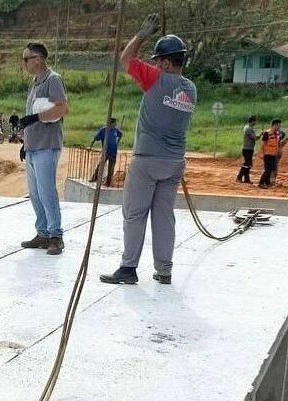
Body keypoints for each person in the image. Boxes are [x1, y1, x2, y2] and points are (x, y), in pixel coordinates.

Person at [99, 14, 196, 286]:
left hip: (147, 161)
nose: (155, 64)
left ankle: (128, 268)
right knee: (164, 218)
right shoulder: (191, 89)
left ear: (165, 62)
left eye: (158, 60)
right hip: (174, 161)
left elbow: (125, 60)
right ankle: (164, 271)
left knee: (135, 214)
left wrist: (141, 35)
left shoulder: (156, 79)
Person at [17, 42, 69, 256]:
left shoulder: (52, 80)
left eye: (26, 59)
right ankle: (43, 233)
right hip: (33, 145)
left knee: (47, 191)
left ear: (37, 59)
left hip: (47, 145)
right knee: (35, 193)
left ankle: (56, 235)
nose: (24, 63)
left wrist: (36, 117)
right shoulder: (35, 82)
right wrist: (24, 142)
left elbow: (62, 108)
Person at [89, 117, 123, 187]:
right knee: (101, 166)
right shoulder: (103, 130)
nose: (116, 124)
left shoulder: (116, 130)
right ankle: (94, 178)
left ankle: (108, 182)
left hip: (113, 152)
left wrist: (117, 142)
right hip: (106, 152)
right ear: (111, 123)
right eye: (115, 123)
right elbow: (95, 138)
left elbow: (120, 134)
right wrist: (90, 147)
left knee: (111, 168)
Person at [258, 119, 283, 188]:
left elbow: (278, 142)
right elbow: (263, 144)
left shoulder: (277, 134)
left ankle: (267, 182)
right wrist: (262, 153)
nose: (279, 127)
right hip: (267, 154)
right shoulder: (267, 133)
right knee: (267, 169)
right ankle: (261, 183)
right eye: (278, 126)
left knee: (271, 169)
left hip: (273, 154)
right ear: (274, 125)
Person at [237, 115, 257, 184]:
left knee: (248, 164)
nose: (255, 122)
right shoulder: (249, 129)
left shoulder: (247, 127)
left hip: (248, 148)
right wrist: (260, 135)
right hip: (248, 149)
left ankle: (246, 179)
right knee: (247, 164)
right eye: (255, 121)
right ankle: (239, 177)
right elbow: (255, 138)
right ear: (252, 121)